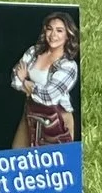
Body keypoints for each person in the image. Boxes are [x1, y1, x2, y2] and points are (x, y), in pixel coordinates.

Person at [11, 12, 80, 147]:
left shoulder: (68, 65)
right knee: (17, 156)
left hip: (56, 118)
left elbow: (49, 96)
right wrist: (28, 86)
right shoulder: (33, 52)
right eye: (50, 29)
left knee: (52, 161)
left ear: (68, 35)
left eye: (59, 31)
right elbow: (15, 77)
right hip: (30, 114)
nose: (53, 35)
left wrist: (25, 81)